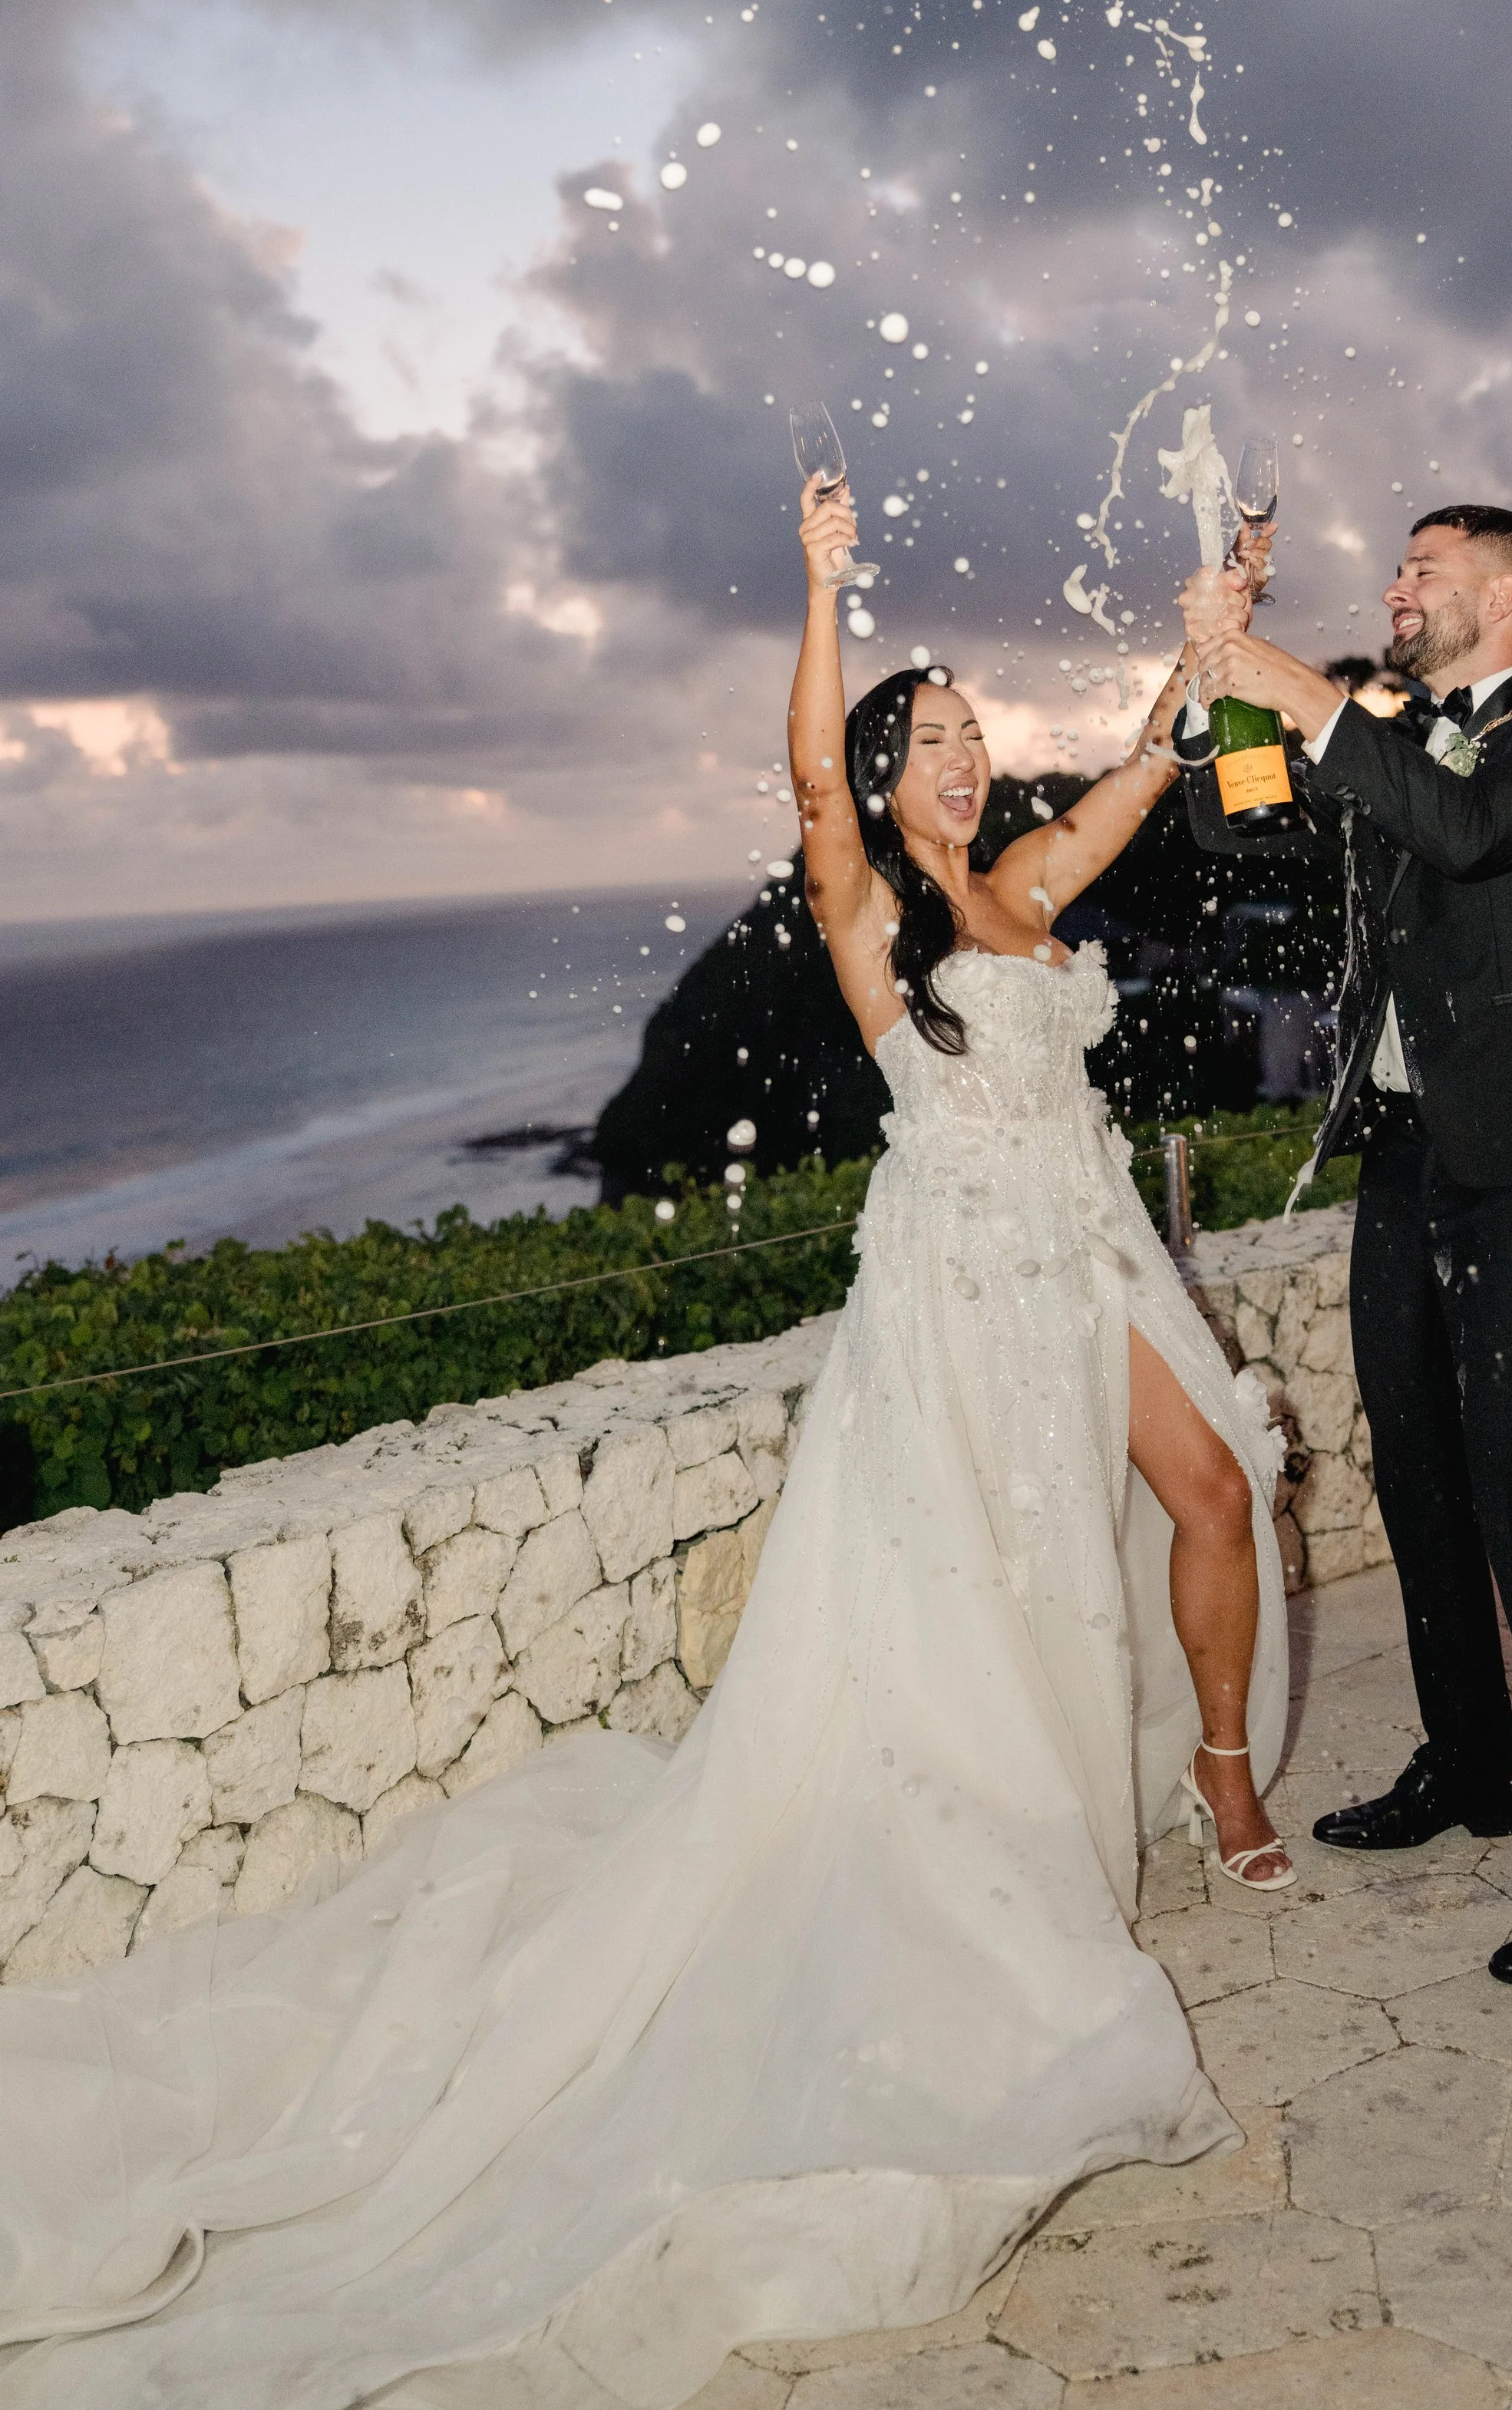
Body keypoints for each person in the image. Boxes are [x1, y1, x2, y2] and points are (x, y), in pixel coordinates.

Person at [0, 477, 1291, 2410]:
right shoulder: (861, 910)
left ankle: (1216, 1774)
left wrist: (1212, 652)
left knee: (1209, 1482)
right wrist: (817, 583)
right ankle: (1033, 1824)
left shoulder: (1021, 888)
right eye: (924, 743)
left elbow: (1136, 777)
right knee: (990, 1577)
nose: (957, 760)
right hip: (956, 1283)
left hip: (1086, 1244)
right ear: (881, 773)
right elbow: (804, 783)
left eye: (964, 739)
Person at [1178, 501, 1512, 1986]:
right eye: (1396, 569)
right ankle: (1468, 1769)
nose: (1395, 587)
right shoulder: (1394, 738)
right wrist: (1214, 664)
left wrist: (1298, 683)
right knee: (1416, 1473)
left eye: (1422, 569)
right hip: (1411, 1153)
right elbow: (1239, 821)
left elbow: (1468, 830)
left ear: (1509, 596)